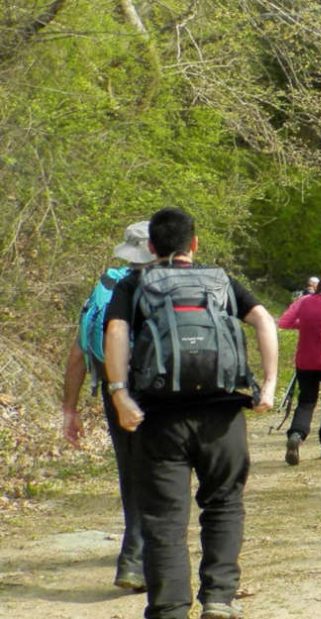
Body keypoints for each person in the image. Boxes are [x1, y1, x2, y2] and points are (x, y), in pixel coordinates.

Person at [103, 207, 278, 619]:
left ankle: (169, 609)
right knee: (224, 504)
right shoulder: (221, 281)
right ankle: (218, 597)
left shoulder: (135, 283)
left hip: (160, 418)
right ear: (194, 244)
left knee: (164, 518)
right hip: (223, 416)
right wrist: (267, 385)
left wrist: (119, 395)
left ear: (150, 247)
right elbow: (264, 320)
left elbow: (115, 332)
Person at [60, 220, 155, 593]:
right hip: (158, 391)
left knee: (132, 473)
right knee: (158, 472)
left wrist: (70, 408)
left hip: (114, 391)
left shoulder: (106, 286)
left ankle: (137, 552)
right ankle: (136, 557)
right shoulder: (167, 283)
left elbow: (78, 352)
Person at [278, 270, 321, 464]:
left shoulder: (304, 302)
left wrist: (304, 324)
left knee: (306, 401)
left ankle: (297, 435)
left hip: (305, 360)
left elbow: (284, 322)